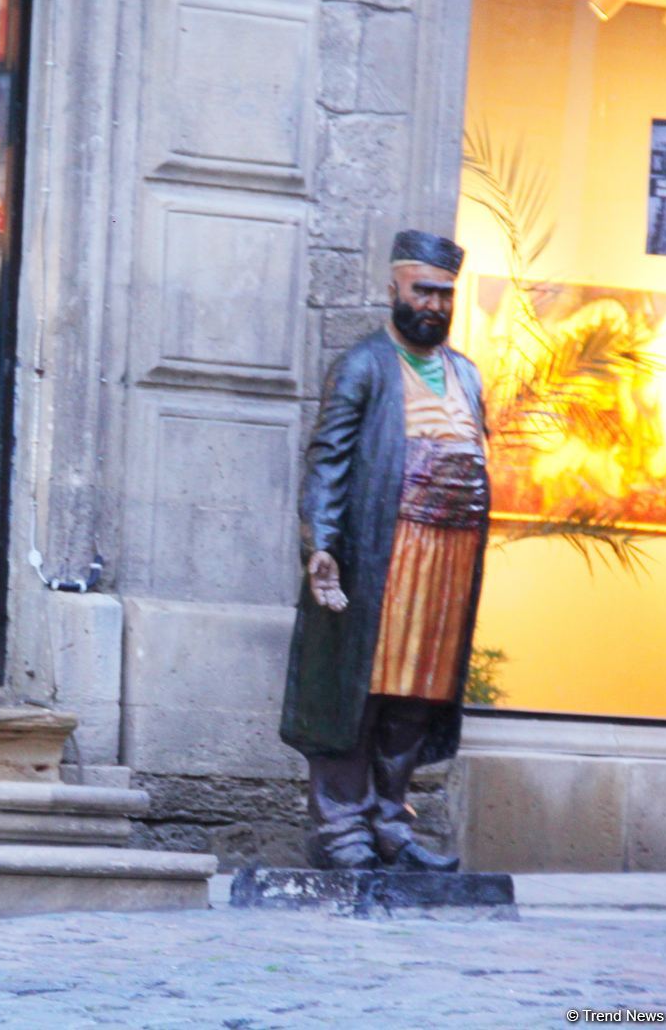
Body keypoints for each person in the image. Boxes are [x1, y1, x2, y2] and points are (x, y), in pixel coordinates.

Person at [280, 230, 489, 872]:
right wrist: (323, 543)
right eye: (422, 289)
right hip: (380, 554)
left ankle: (390, 820)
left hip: (448, 559)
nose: (433, 304)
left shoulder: (469, 375)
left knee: (416, 693)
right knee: (358, 689)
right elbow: (329, 459)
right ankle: (340, 827)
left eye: (444, 293)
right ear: (394, 287)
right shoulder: (365, 365)